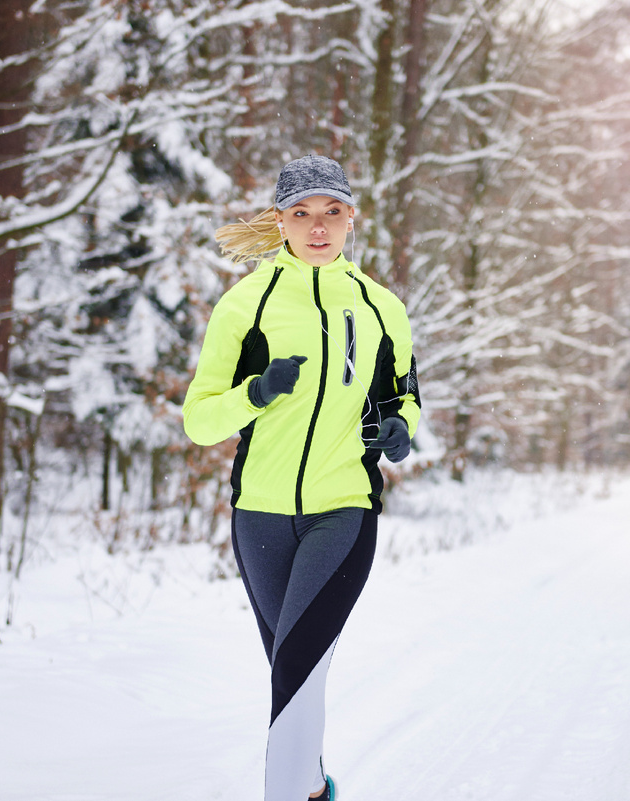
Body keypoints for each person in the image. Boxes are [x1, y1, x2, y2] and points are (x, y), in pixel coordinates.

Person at [182, 155, 421, 801]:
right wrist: (254, 392)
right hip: (258, 514)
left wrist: (400, 428)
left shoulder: (381, 308)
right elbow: (200, 420)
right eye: (302, 213)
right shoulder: (246, 304)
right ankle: (312, 785)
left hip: (343, 509)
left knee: (296, 665)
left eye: (331, 212)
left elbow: (404, 397)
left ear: (351, 218)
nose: (318, 227)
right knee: (292, 673)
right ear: (280, 221)